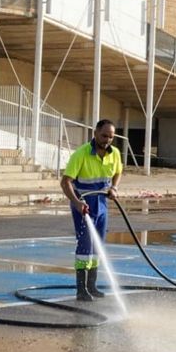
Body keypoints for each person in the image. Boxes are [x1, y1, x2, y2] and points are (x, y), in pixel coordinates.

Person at [60, 119, 122, 302]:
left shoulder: (115, 153)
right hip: (84, 205)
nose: (107, 140)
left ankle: (92, 285)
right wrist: (77, 203)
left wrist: (114, 188)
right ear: (95, 133)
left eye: (111, 137)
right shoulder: (81, 154)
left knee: (97, 245)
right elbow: (66, 182)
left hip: (102, 204)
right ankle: (81, 289)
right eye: (104, 136)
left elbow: (118, 172)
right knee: (85, 246)